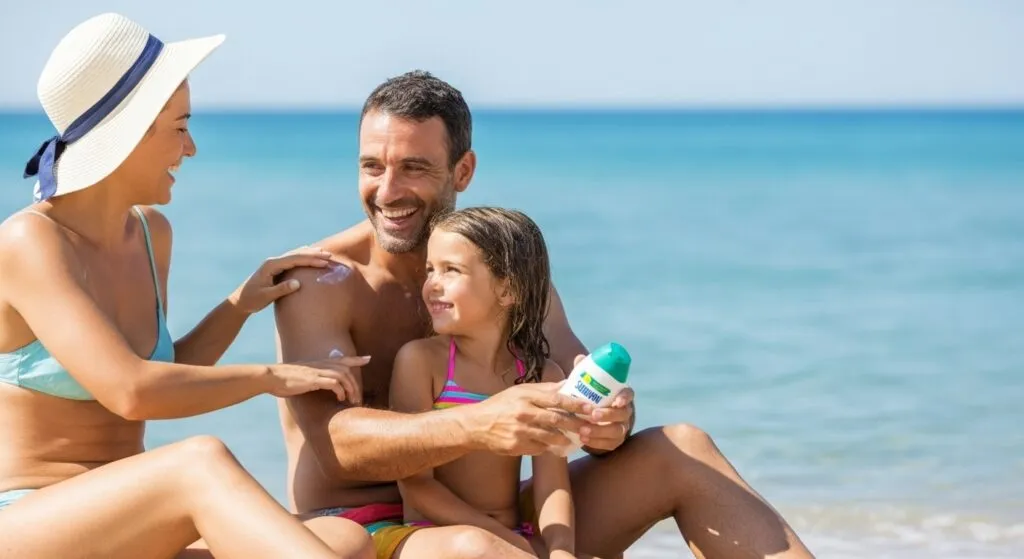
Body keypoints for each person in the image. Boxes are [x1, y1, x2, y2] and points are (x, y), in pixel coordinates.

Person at [274, 70, 815, 559]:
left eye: (414, 167)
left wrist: (611, 423)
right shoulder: (321, 282)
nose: (388, 191)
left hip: (508, 518)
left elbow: (575, 386)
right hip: (366, 527)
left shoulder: (503, 278)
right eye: (372, 166)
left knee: (681, 450)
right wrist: (478, 423)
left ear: (463, 171)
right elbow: (339, 450)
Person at [0, 13, 372, 559]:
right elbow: (131, 390)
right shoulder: (29, 243)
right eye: (179, 127)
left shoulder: (152, 234)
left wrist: (239, 306)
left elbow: (167, 369)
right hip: (33, 520)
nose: (191, 147)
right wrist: (269, 377)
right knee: (198, 462)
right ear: (128, 133)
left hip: (131, 526)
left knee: (343, 540)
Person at [391, 207, 576, 558]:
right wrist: (505, 541)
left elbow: (553, 486)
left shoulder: (542, 375)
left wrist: (561, 549)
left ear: (508, 290)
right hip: (431, 536)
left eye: (451, 270)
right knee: (477, 549)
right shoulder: (422, 362)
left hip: (511, 533)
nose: (433, 283)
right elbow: (416, 485)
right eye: (430, 269)